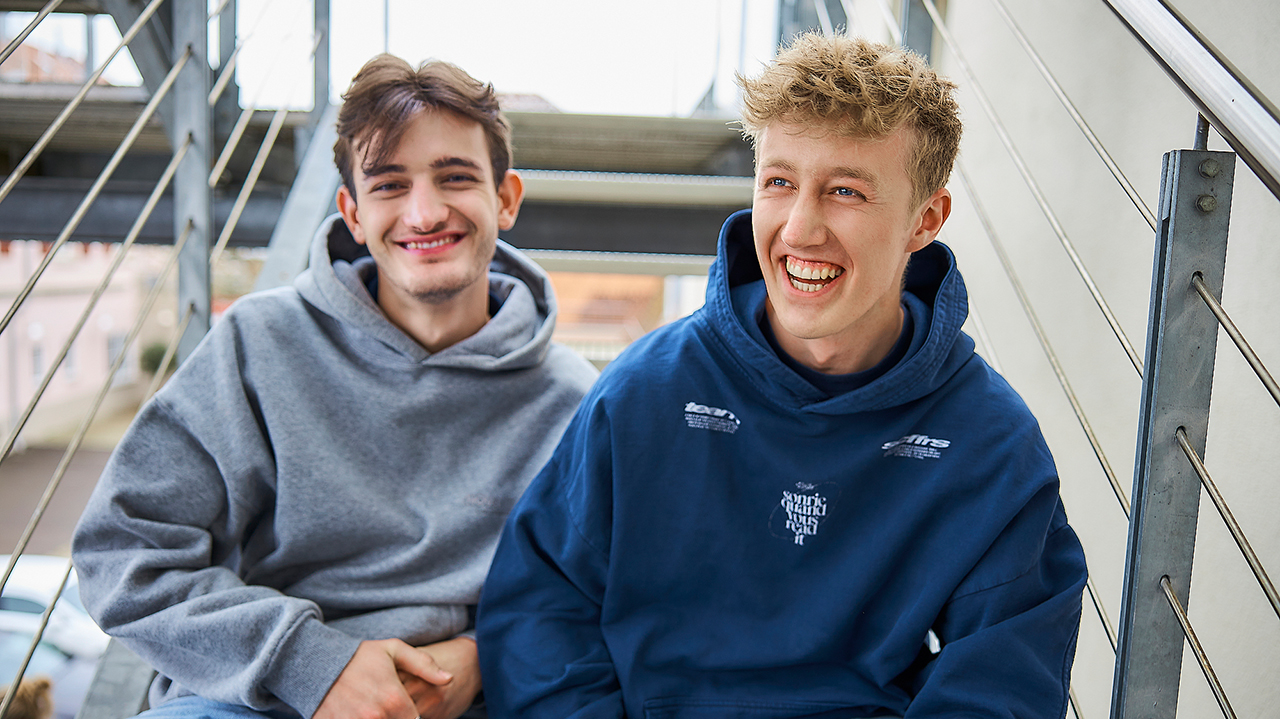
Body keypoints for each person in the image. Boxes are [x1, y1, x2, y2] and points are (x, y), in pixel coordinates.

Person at [476, 33, 1088, 719]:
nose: (799, 229)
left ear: (925, 220)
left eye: (846, 191)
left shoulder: (989, 443)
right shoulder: (645, 394)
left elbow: (1003, 682)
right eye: (779, 183)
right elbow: (540, 616)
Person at [71, 54, 596, 719]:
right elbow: (122, 549)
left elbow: (603, 595)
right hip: (262, 699)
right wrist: (311, 664)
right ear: (352, 212)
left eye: (456, 177)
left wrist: (485, 655)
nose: (424, 213)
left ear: (506, 198)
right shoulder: (259, 344)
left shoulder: (574, 399)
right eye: (389, 185)